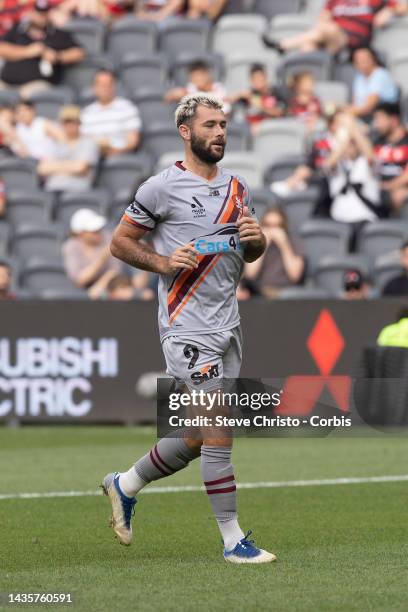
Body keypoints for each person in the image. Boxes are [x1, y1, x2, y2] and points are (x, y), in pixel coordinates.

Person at [102, 93, 276, 564]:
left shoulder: (238, 187)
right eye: (211, 125)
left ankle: (125, 483)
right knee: (218, 430)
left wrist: (259, 243)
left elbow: (247, 252)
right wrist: (162, 261)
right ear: (186, 132)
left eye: (224, 124)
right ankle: (232, 541)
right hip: (187, 328)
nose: (220, 132)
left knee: (200, 436)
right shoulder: (160, 187)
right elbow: (120, 243)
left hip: (228, 324)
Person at [0, 0, 84, 97]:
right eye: (38, 13)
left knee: (27, 97)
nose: (41, 17)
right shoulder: (19, 30)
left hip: (36, 85)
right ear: (31, 13)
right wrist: (28, 51)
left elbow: (79, 53)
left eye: (44, 13)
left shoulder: (56, 34)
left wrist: (57, 57)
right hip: (7, 83)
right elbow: (2, 48)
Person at [274, 0, 398, 54]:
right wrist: (324, 22)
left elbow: (401, 6)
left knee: (327, 30)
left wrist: (390, 10)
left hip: (353, 41)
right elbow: (323, 18)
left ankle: (284, 45)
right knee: (308, 46)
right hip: (331, 39)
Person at [324, 113, 382, 225]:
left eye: (354, 143)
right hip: (339, 217)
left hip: (365, 216)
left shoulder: (365, 161)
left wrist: (354, 130)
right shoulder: (338, 161)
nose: (351, 145)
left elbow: (370, 156)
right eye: (349, 143)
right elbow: (328, 165)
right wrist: (344, 138)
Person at [243, 207, 305, 299]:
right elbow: (250, 274)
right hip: (259, 292)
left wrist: (284, 245)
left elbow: (295, 276)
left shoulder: (294, 242)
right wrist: (263, 244)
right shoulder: (254, 242)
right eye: (268, 225)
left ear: (284, 227)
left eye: (277, 226)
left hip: (286, 293)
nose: (272, 230)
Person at [38, 105, 99, 192]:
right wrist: (70, 165)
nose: (69, 125)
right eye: (66, 122)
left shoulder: (88, 142)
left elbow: (80, 168)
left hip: (78, 190)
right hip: (52, 189)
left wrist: (55, 167)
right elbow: (42, 168)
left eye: (72, 122)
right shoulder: (56, 143)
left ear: (79, 123)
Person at [81, 70, 142, 157]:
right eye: (101, 85)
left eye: (108, 84)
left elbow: (133, 141)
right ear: (94, 87)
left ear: (114, 86)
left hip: (120, 156)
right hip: (91, 158)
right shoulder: (86, 113)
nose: (105, 88)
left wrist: (113, 152)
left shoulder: (127, 108)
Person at [62, 207, 122, 292]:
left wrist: (100, 286)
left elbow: (115, 270)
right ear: (81, 234)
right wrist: (101, 259)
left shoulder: (108, 238)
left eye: (99, 229)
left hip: (110, 287)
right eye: (94, 231)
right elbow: (79, 281)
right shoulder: (71, 246)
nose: (99, 233)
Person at [372, 102, 408, 213]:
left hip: (398, 189)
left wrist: (389, 186)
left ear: (393, 120)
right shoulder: (376, 142)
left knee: (400, 195)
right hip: (377, 188)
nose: (377, 124)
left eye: (380, 119)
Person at [229, 63, 285, 133]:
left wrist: (260, 105)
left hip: (272, 129)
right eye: (254, 78)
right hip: (251, 131)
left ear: (265, 77)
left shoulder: (276, 92)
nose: (257, 81)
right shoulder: (250, 95)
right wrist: (240, 95)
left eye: (259, 77)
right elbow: (227, 101)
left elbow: (279, 113)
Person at [348, 47, 399, 121]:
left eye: (364, 58)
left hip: (382, 117)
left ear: (373, 58)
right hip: (364, 116)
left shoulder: (380, 74)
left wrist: (349, 113)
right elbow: (355, 103)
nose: (361, 61)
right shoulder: (359, 77)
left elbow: (369, 106)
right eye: (357, 59)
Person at [164, 60, 230, 113]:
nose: (196, 80)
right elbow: (169, 97)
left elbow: (224, 112)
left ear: (208, 75)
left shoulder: (219, 89)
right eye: (193, 77)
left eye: (199, 76)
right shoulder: (192, 87)